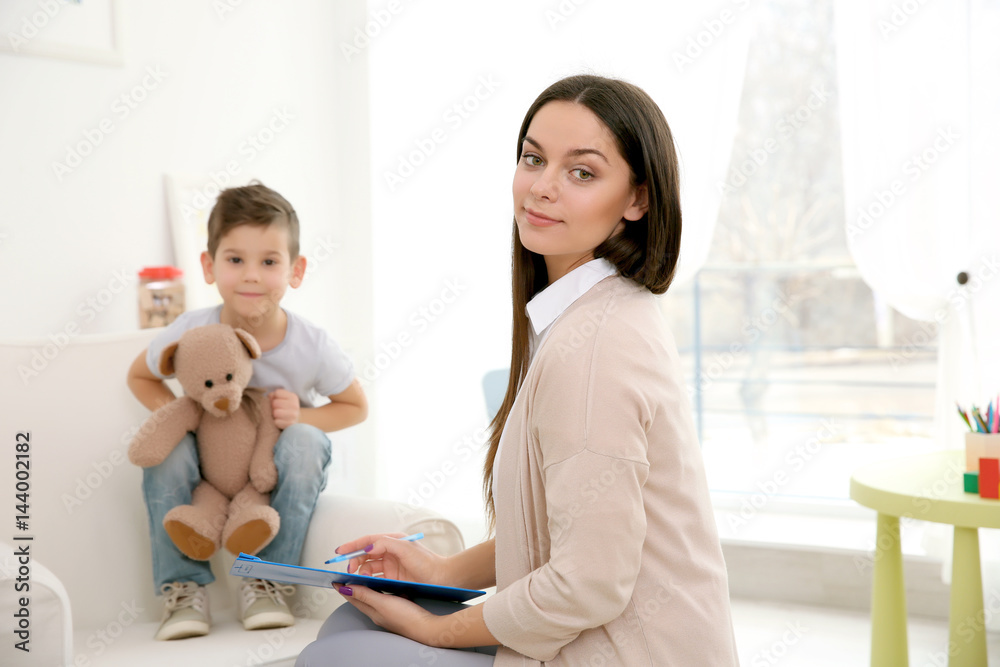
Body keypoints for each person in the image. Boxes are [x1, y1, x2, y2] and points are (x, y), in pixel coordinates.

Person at [296, 74, 740, 665]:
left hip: (625, 650)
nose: (542, 188)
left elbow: (589, 583)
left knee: (339, 655)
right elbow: (575, 525)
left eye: (582, 172)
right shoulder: (590, 312)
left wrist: (437, 632)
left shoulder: (595, 348)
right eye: (534, 159)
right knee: (350, 624)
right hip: (599, 632)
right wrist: (446, 570)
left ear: (639, 199)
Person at [126, 183, 369, 641]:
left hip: (269, 466)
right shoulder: (192, 329)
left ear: (296, 271)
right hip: (206, 464)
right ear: (209, 266)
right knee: (169, 448)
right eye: (235, 260)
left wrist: (301, 416)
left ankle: (268, 581)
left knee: (304, 442)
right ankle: (183, 588)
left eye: (269, 262)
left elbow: (356, 407)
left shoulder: (311, 343)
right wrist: (180, 419)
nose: (252, 275)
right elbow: (140, 376)